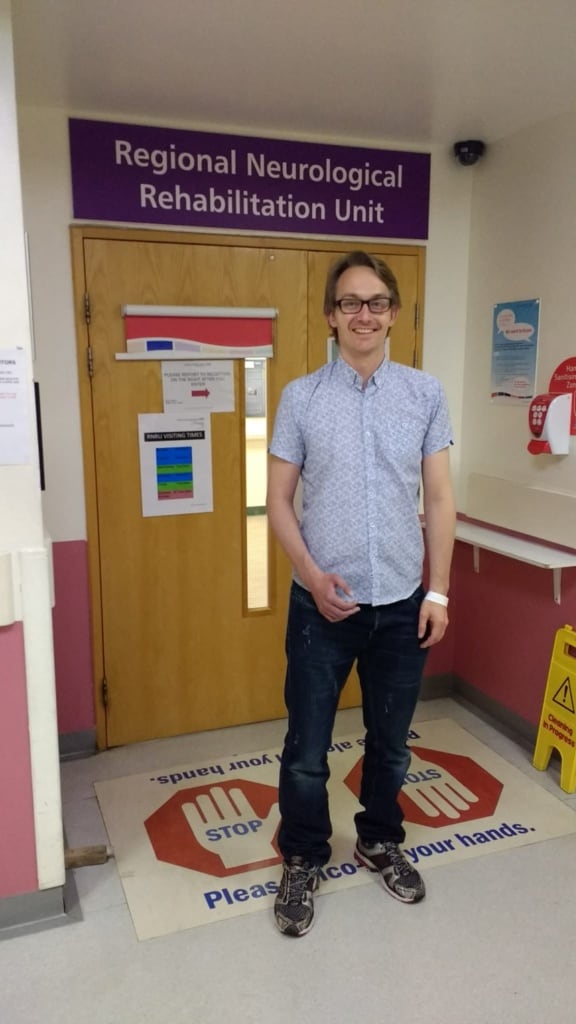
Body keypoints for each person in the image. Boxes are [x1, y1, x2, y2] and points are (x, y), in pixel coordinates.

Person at [266, 250, 455, 937]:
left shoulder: (424, 394)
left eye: (376, 302)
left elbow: (438, 496)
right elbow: (278, 501)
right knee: (307, 748)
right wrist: (313, 578)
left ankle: (380, 840)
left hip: (403, 601)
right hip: (321, 608)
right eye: (350, 303)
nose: (364, 314)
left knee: (392, 743)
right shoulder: (300, 398)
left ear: (394, 313)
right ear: (331, 316)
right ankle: (304, 857)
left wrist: (438, 593)